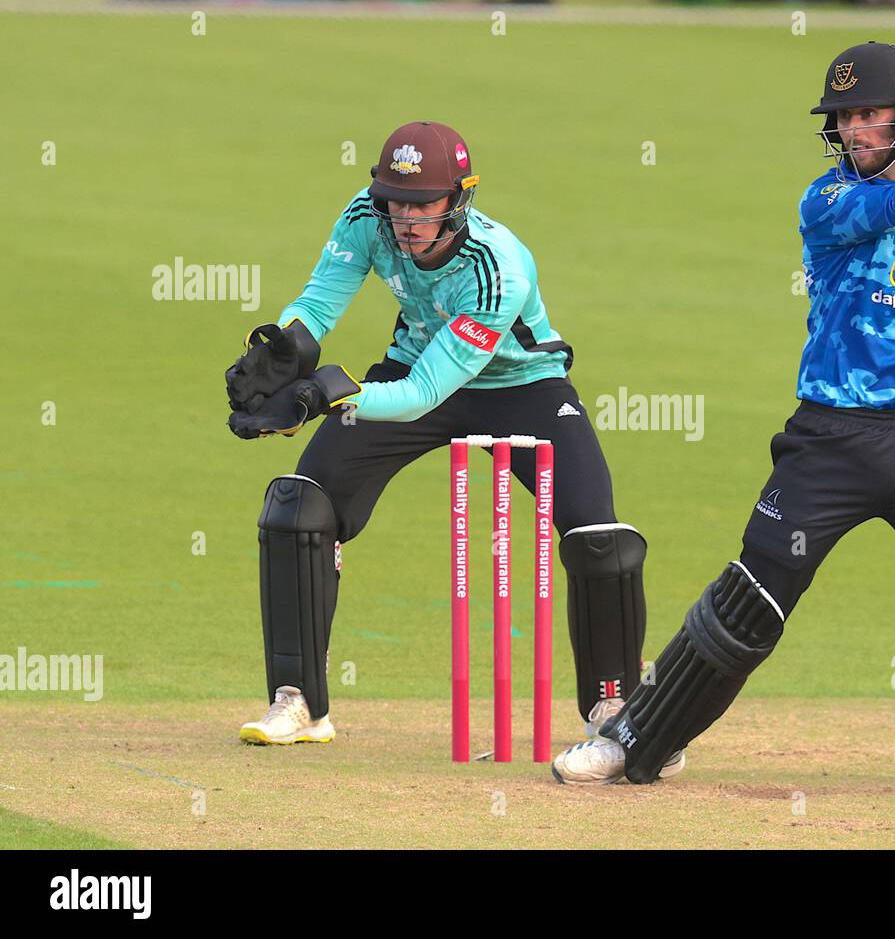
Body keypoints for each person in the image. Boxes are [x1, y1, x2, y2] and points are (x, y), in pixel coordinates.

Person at [552, 32, 895, 787]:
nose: (851, 131)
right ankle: (640, 735)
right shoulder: (829, 200)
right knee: (751, 607)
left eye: (868, 114)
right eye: (842, 118)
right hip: (832, 437)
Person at [226, 121, 666, 768]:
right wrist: (285, 350)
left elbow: (427, 393)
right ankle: (299, 701)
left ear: (458, 200)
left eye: (423, 204)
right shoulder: (366, 216)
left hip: (522, 385)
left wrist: (331, 394)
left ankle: (615, 707)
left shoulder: (499, 267)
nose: (405, 219)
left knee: (599, 536)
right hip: (412, 365)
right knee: (299, 507)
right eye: (395, 201)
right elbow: (319, 304)